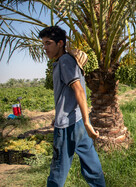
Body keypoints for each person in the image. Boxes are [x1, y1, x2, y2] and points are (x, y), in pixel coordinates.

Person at [39, 26, 106, 187]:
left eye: (48, 43)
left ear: (60, 43)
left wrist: (87, 123)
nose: (45, 48)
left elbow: (79, 91)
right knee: (93, 168)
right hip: (77, 122)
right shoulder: (69, 60)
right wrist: (62, 116)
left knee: (58, 171)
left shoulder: (65, 61)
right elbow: (67, 95)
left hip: (69, 127)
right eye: (43, 44)